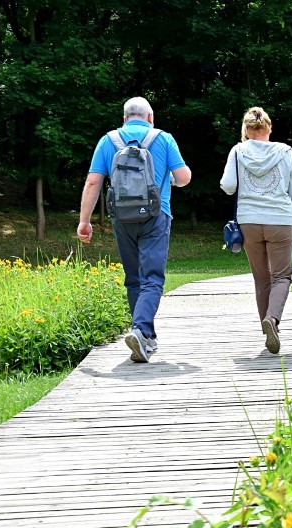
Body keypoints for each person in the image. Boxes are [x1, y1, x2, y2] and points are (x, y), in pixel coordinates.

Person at [77, 97, 192, 363]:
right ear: (150, 117)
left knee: (133, 278)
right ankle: (140, 330)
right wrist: (171, 179)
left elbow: (94, 181)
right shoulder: (163, 138)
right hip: (156, 215)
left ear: (124, 118)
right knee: (152, 277)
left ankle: (146, 337)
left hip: (122, 218)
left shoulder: (109, 141)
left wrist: (85, 220)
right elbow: (184, 177)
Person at [220, 107, 292, 354]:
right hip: (280, 221)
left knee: (261, 278)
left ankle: (269, 329)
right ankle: (272, 320)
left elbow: (228, 186)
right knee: (281, 277)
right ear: (269, 127)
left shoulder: (238, 151)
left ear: (247, 130)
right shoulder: (284, 152)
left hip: (249, 222)